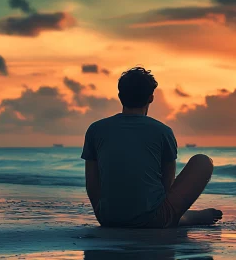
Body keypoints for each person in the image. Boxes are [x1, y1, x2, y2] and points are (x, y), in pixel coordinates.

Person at [81, 67, 222, 228]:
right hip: (152, 220)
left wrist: (103, 214)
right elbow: (167, 184)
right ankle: (185, 217)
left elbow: (92, 182)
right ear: (151, 98)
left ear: (120, 97)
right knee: (203, 161)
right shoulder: (163, 132)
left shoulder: (95, 129)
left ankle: (180, 216)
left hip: (108, 217)